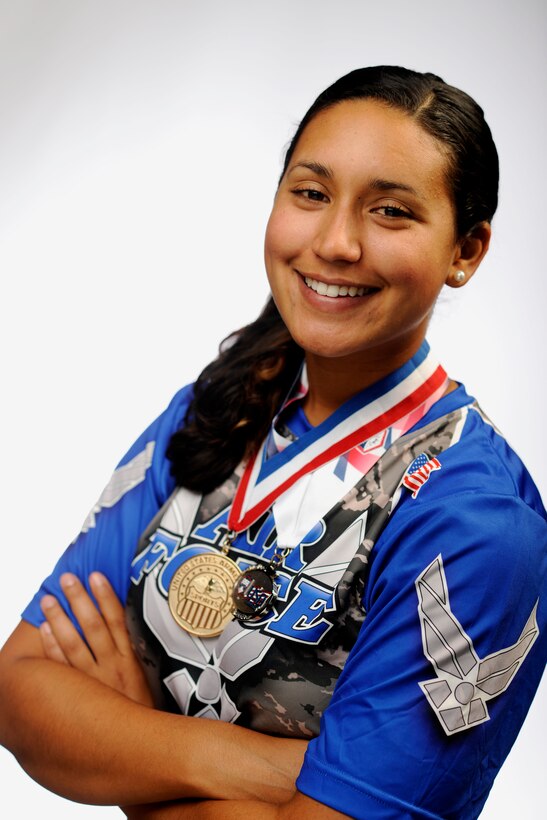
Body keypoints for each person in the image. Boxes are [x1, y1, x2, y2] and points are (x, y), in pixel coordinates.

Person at [0, 66, 545, 820]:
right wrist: (267, 771)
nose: (335, 242)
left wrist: (125, 756)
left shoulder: (475, 522)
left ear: (466, 249)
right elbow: (21, 689)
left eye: (389, 211)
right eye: (311, 194)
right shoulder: (210, 411)